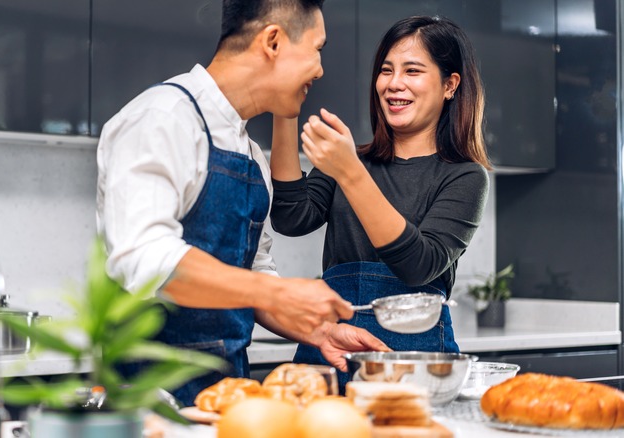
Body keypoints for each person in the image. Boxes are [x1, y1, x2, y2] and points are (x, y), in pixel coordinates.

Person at [96, 0, 388, 407]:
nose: (321, 69)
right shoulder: (163, 118)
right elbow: (142, 257)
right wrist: (278, 296)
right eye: (317, 48)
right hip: (147, 401)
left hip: (227, 398)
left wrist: (317, 330)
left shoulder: (251, 154)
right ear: (273, 41)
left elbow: (254, 271)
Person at [269, 15, 491, 389]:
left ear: (450, 85)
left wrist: (350, 172)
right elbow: (292, 217)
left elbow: (418, 265)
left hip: (413, 363)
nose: (394, 84)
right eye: (386, 70)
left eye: (413, 70)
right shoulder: (351, 159)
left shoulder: (465, 177)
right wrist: (284, 110)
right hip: (330, 348)